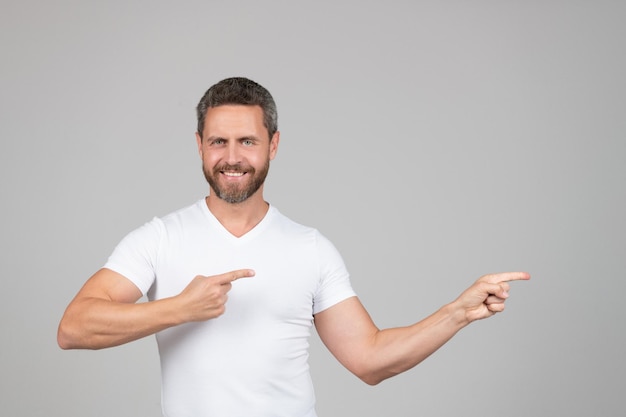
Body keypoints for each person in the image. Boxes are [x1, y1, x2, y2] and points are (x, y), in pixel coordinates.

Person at [57, 76, 530, 417]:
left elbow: (369, 360)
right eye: (218, 141)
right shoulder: (159, 238)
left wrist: (457, 312)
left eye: (248, 141)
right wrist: (179, 308)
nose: (233, 157)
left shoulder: (311, 248)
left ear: (274, 145)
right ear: (199, 145)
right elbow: (74, 327)